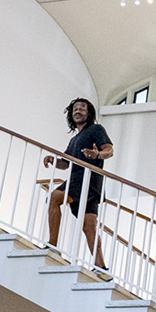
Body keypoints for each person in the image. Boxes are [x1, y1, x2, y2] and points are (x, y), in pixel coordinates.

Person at [45, 98, 113, 271]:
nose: (78, 111)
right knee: (89, 225)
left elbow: (109, 150)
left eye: (82, 108)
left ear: (89, 113)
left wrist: (97, 154)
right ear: (70, 114)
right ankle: (101, 267)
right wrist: (54, 160)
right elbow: (65, 163)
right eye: (75, 108)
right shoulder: (74, 140)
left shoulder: (96, 129)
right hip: (84, 181)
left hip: (86, 179)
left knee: (54, 197)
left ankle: (52, 246)